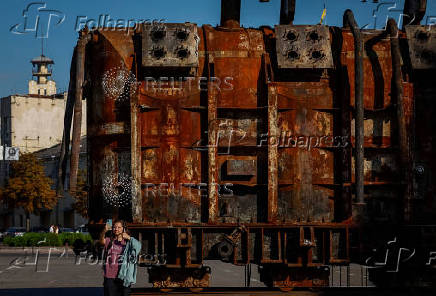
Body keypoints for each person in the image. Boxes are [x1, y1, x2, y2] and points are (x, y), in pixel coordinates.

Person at [99, 219, 141, 296]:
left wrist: (129, 237)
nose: (116, 229)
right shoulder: (110, 240)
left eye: (119, 227)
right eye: (114, 227)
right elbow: (101, 241)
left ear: (123, 228)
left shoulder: (129, 242)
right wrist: (104, 231)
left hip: (124, 276)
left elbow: (138, 246)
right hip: (110, 276)